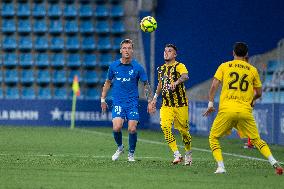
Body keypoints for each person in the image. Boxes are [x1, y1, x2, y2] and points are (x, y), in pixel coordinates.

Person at [203, 42, 283, 175]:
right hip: (245, 111)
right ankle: (274, 161)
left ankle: (221, 167)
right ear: (246, 55)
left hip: (227, 109)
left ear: (233, 53)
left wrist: (210, 104)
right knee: (257, 140)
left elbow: (213, 86)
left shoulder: (224, 66)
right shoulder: (252, 70)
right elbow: (259, 93)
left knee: (213, 137)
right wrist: (251, 101)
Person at [101, 39, 152, 162]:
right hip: (118, 101)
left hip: (132, 102)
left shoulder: (138, 67)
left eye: (129, 48)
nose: (127, 50)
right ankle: (120, 147)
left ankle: (131, 154)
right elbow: (108, 82)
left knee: (132, 129)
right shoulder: (113, 66)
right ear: (120, 50)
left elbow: (146, 84)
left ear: (132, 50)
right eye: (124, 48)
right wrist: (102, 99)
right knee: (117, 127)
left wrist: (150, 100)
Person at [149, 44, 192, 165]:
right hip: (166, 104)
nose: (166, 53)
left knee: (184, 132)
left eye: (169, 51)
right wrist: (154, 98)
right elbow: (160, 84)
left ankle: (188, 153)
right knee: (164, 126)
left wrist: (176, 82)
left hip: (180, 104)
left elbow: (185, 76)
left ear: (175, 54)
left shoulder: (179, 66)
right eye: (165, 51)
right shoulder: (161, 69)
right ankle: (177, 154)